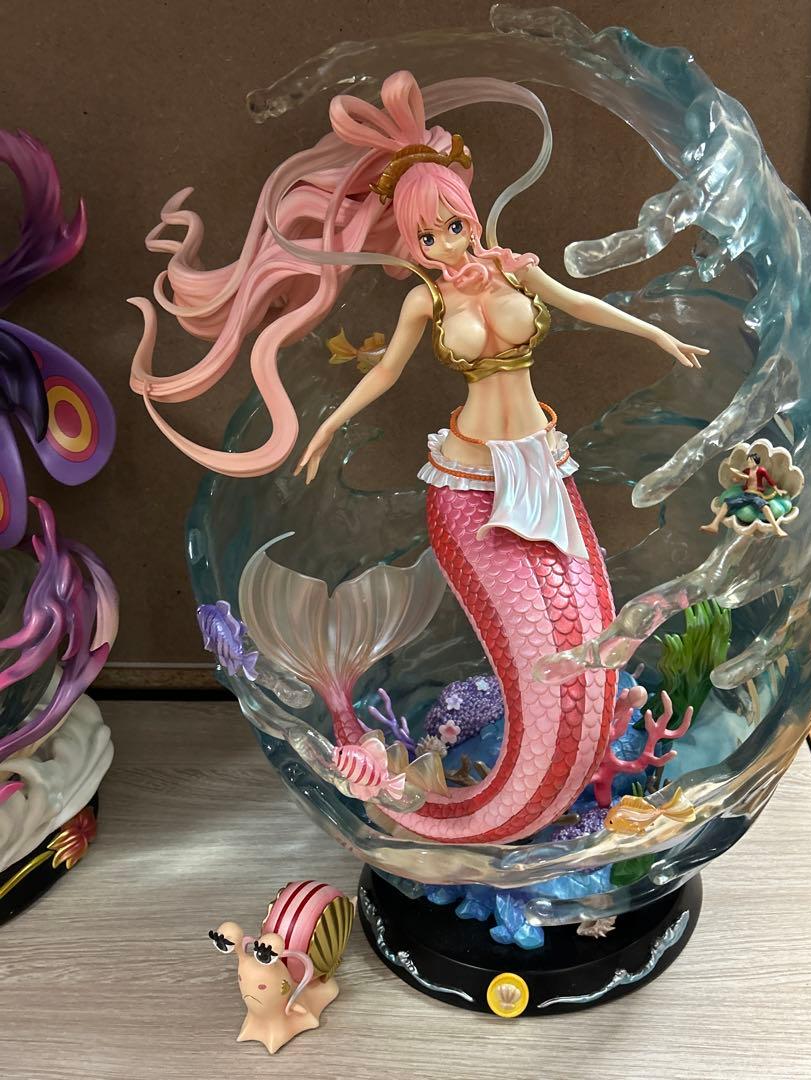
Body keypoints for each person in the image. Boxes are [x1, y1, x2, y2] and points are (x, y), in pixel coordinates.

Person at [128, 71, 708, 845]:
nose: (443, 246)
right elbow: (384, 374)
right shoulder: (424, 299)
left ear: (471, 214)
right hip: (467, 486)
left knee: (586, 636)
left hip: (541, 467)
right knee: (538, 654)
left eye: (452, 227)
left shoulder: (514, 268)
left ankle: (544, 792)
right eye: (425, 238)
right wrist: (329, 423)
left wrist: (655, 332)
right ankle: (447, 803)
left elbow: (579, 304)